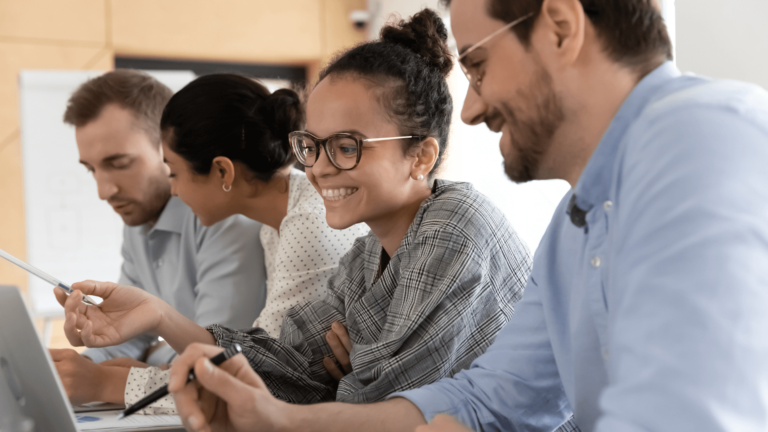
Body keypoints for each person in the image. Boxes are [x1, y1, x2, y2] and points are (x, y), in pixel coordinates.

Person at [135, 0, 768, 431]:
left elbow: (681, 414)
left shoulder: (699, 137)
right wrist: (280, 419)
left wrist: (341, 388)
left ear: (560, 25)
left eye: (479, 66)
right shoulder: (575, 223)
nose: (468, 109)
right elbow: (487, 397)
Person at [56, 8, 535, 418]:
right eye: (312, 145)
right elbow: (284, 365)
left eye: (346, 147)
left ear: (421, 157)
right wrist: (158, 313)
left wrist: (348, 374)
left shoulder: (455, 227)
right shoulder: (366, 257)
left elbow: (388, 407)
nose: (320, 169)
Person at [56, 73, 370, 409]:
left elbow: (261, 372)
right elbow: (256, 355)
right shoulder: (274, 224)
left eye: (174, 172)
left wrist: (112, 382)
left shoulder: (306, 224)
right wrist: (153, 329)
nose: (173, 190)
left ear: (223, 172)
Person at [51, 70, 268, 405]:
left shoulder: (226, 214)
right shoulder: (137, 221)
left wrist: (137, 364)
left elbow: (218, 359)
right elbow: (130, 338)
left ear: (169, 147)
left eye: (119, 163)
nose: (103, 191)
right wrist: (73, 369)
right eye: (91, 169)